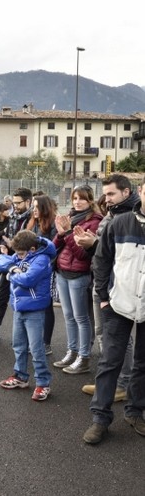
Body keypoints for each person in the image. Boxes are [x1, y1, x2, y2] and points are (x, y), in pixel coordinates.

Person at [82, 176, 145, 444]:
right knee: (110, 362)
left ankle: (135, 412)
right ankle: (100, 418)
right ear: (141, 191)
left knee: (142, 363)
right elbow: (101, 260)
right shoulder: (120, 223)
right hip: (117, 305)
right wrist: (103, 297)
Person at [74, 174, 140, 402]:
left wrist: (94, 243)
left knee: (120, 340)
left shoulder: (130, 216)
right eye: (106, 193)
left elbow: (119, 255)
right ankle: (110, 383)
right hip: (102, 283)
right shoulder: (113, 212)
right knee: (104, 336)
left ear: (127, 192)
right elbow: (103, 252)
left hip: (117, 287)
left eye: (112, 193)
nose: (107, 198)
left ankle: (122, 385)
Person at [0, 230, 56, 401]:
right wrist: (12, 267)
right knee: (18, 345)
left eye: (21, 254)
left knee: (36, 349)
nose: (18, 257)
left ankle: (43, 383)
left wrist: (11, 273)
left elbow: (28, 279)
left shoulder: (42, 259)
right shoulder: (21, 256)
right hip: (19, 308)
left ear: (32, 249)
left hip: (35, 310)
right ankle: (20, 376)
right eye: (16, 253)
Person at [52, 185, 103, 374]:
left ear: (90, 200)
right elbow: (54, 246)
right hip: (62, 272)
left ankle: (84, 357)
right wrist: (60, 232)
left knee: (81, 318)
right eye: (74, 198)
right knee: (68, 317)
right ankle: (71, 351)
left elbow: (83, 254)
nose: (77, 202)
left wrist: (66, 234)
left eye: (81, 198)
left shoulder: (95, 221)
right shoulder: (71, 217)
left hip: (79, 275)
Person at [0, 187, 33, 339]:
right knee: (2, 297)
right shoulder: (13, 217)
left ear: (28, 201)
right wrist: (7, 246)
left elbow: (33, 243)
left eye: (18, 203)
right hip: (10, 262)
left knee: (24, 301)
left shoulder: (33, 218)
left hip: (27, 266)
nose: (14, 206)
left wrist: (15, 246)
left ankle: (27, 337)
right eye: (13, 203)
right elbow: (9, 236)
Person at [26, 194, 58, 355]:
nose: (34, 209)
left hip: (46, 272)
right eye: (33, 206)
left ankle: (46, 343)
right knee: (35, 307)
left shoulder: (53, 225)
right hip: (34, 270)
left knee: (46, 307)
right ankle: (35, 341)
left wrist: (42, 268)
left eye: (37, 207)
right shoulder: (36, 223)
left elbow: (54, 249)